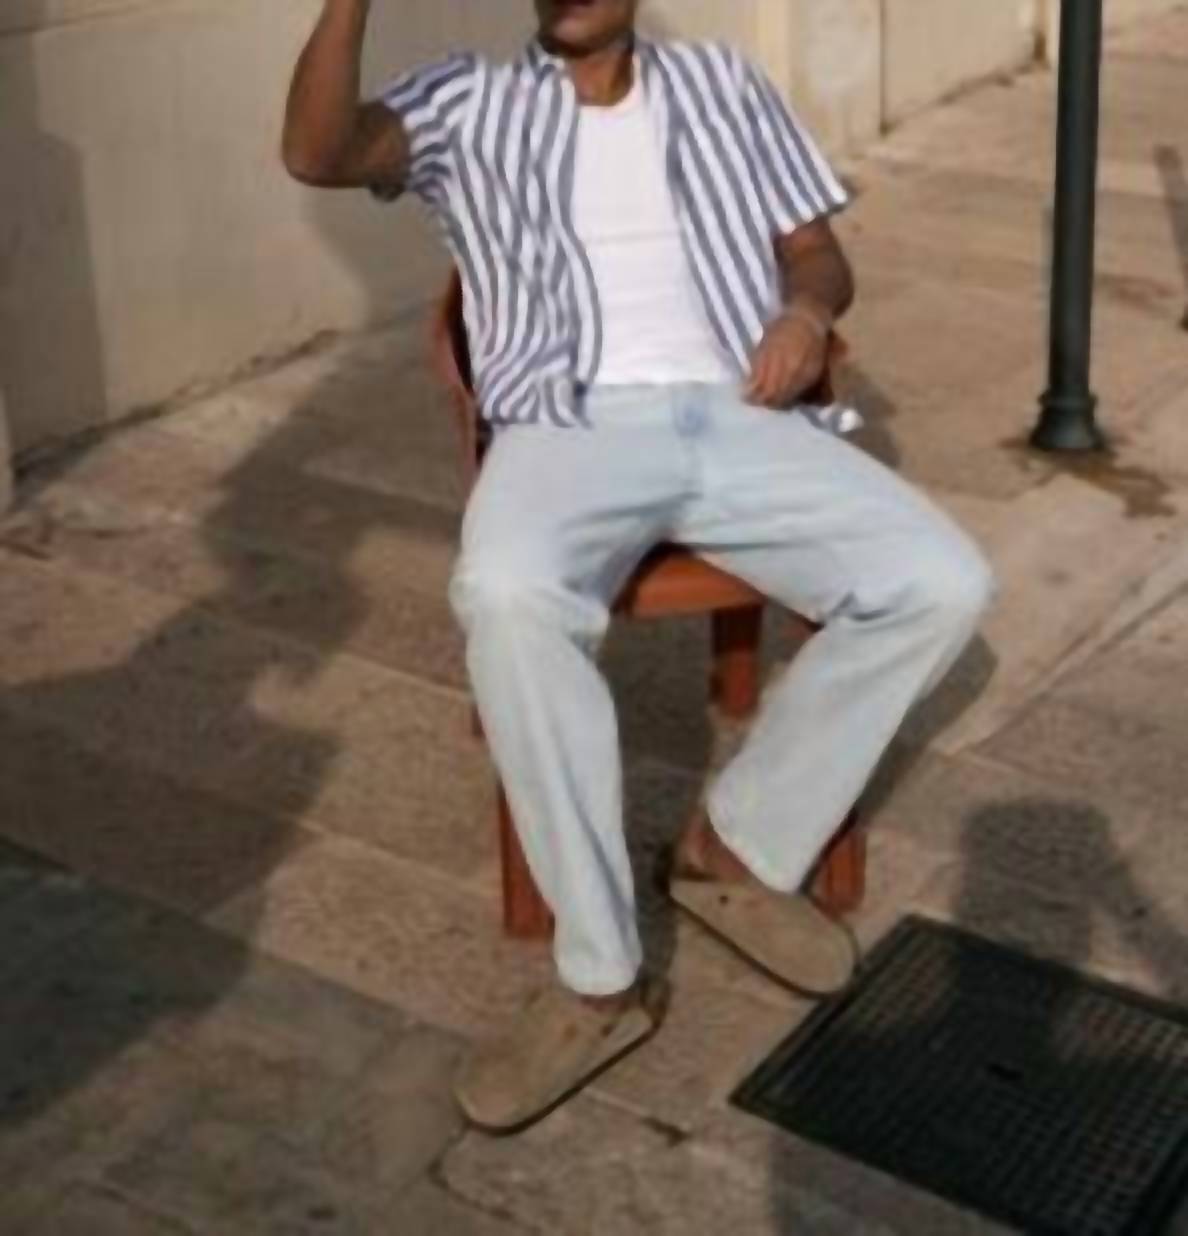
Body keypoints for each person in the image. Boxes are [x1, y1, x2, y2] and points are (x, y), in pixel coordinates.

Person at [283, 0, 995, 1132]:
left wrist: (807, 313)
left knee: (942, 580)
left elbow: (815, 250)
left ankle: (733, 848)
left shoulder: (724, 83)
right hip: (566, 425)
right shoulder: (468, 100)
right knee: (506, 594)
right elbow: (318, 153)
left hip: (738, 409)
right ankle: (600, 980)